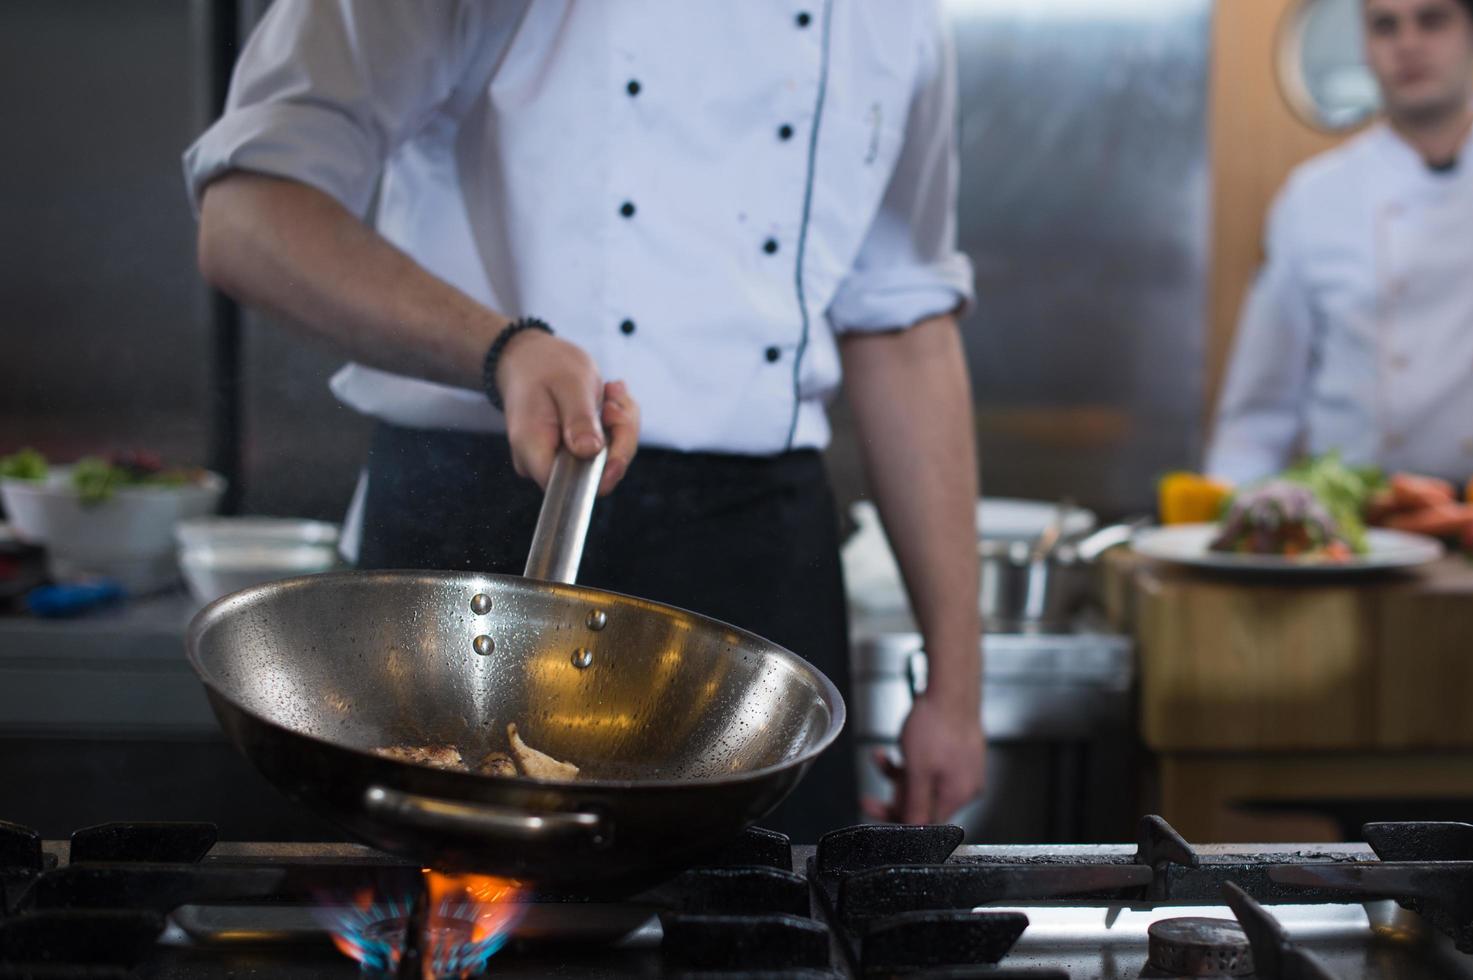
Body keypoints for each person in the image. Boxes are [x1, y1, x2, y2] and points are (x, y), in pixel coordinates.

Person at [184, 0, 985, 838]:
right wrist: (500, 349)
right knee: (435, 935)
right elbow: (250, 216)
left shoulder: (895, 17)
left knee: (765, 942)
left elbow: (903, 324)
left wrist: (958, 690)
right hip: (473, 553)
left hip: (755, 577)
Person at [1207, 0, 1473, 485]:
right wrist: (1224, 528)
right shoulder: (1312, 198)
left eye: (1432, 20)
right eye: (1385, 26)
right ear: (1365, 46)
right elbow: (1260, 414)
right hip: (1358, 534)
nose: (1407, 44)